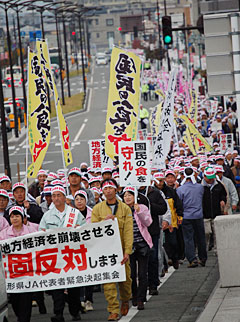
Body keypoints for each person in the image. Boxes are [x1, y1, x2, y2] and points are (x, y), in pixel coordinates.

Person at [39, 185, 86, 322]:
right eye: (54, 196)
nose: (56, 198)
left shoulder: (74, 213)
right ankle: (58, 313)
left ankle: (75, 311)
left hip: (72, 254)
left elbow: (85, 232)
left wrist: (79, 229)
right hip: (55, 256)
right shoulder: (47, 215)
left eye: (59, 195)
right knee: (57, 286)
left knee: (73, 286)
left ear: (65, 197)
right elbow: (41, 234)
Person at [91, 179, 133, 321]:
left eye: (111, 188)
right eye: (105, 189)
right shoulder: (97, 209)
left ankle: (125, 299)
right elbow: (93, 230)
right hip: (106, 252)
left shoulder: (125, 208)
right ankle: (113, 309)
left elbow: (128, 231)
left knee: (126, 280)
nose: (108, 191)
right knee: (108, 283)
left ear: (116, 190)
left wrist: (127, 251)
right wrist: (104, 222)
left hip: (121, 250)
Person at [0, 206, 39, 322]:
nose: (15, 219)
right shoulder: (4, 234)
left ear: (23, 218)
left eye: (17, 216)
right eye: (12, 216)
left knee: (26, 300)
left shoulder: (32, 231)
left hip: (28, 272)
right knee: (15, 301)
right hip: (12, 274)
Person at [123, 186, 152, 310]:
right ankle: (134, 296)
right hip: (129, 246)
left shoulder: (142, 207)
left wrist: (139, 211)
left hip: (142, 244)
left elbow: (148, 222)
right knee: (131, 274)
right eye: (125, 195)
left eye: (130, 195)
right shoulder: (122, 210)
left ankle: (141, 298)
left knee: (142, 273)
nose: (127, 197)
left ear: (135, 197)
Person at [138, 183, 168, 295]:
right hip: (135, 233)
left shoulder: (154, 193)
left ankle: (153, 284)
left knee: (153, 258)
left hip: (152, 230)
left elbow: (163, 208)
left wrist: (148, 205)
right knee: (138, 262)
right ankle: (139, 288)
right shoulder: (127, 194)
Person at [177, 168, 207, 268]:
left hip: (186, 216)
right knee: (201, 237)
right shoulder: (200, 187)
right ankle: (203, 258)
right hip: (198, 215)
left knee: (188, 238)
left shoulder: (180, 189)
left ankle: (192, 259)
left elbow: (179, 203)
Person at [153, 172, 184, 270]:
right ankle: (166, 263)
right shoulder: (152, 192)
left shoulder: (170, 191)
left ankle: (175, 258)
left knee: (173, 242)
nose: (159, 183)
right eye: (157, 181)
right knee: (162, 245)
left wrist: (179, 215)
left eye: (161, 181)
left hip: (171, 221)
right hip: (157, 223)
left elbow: (177, 204)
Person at [74, 189, 94, 312]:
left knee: (89, 275)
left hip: (89, 247)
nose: (79, 201)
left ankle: (89, 300)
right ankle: (80, 300)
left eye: (82, 199)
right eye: (77, 199)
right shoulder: (71, 214)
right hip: (75, 249)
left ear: (86, 201)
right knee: (78, 274)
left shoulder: (93, 213)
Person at [202, 167, 227, 251]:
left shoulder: (219, 185)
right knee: (206, 232)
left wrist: (223, 200)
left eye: (212, 178)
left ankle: (217, 249)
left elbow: (223, 195)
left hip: (216, 212)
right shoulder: (200, 186)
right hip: (205, 214)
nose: (210, 180)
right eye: (208, 178)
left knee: (217, 232)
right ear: (204, 176)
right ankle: (204, 249)